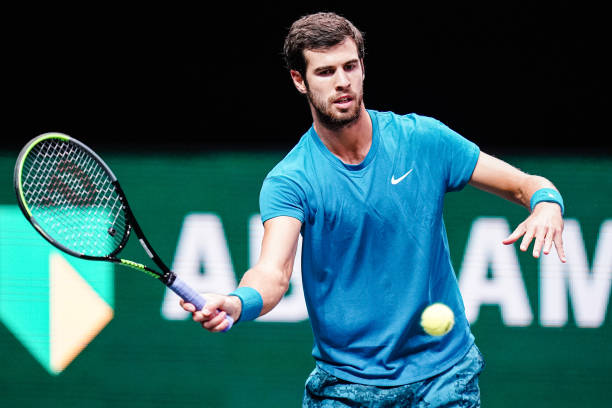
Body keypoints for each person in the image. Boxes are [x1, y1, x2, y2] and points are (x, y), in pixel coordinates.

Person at [180, 12, 566, 407]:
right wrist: (236, 302)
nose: (342, 81)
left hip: (445, 378)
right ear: (300, 80)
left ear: (363, 67)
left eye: (350, 66)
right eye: (326, 71)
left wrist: (547, 204)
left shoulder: (423, 140)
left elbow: (525, 185)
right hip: (347, 388)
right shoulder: (291, 180)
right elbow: (273, 273)